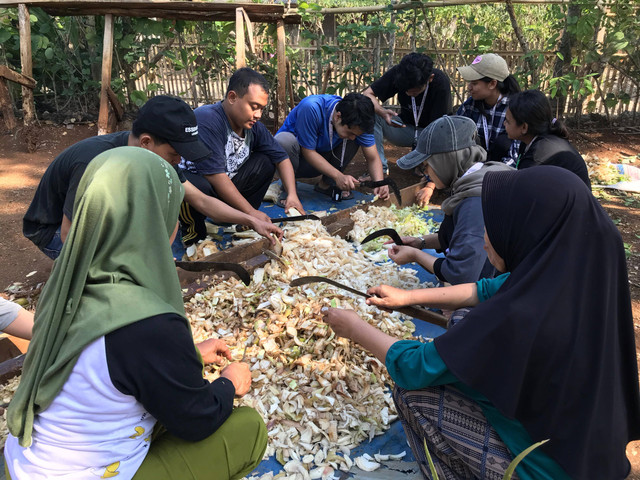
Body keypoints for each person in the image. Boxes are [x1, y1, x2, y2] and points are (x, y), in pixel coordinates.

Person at [323, 166, 640, 480]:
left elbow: (413, 365)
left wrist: (352, 327)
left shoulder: (517, 317)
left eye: (494, 227)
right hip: (589, 454)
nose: (485, 240)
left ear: (527, 231)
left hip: (547, 470)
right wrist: (404, 297)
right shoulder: (577, 276)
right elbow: (486, 289)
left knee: (411, 392)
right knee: (462, 319)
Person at [6, 148, 267, 480]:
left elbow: (114, 362)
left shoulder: (67, 282)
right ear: (161, 224)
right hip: (81, 473)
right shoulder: (146, 320)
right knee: (248, 428)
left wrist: (192, 355)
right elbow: (197, 418)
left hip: (27, 461)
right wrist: (230, 383)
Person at [23, 95, 282, 260]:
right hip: (54, 230)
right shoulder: (94, 163)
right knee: (120, 275)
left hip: (106, 217)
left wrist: (250, 219)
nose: (179, 160)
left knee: (165, 215)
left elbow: (201, 201)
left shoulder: (155, 156)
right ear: (146, 142)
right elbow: (71, 236)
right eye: (175, 153)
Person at [179, 68, 303, 244]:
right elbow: (216, 176)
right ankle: (193, 232)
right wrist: (252, 214)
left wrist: (292, 194)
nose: (258, 115)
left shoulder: (253, 127)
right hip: (201, 192)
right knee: (194, 183)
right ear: (232, 97)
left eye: (262, 108)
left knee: (266, 161)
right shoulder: (208, 119)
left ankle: (240, 219)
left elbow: (281, 158)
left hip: (227, 184)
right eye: (254, 107)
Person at [393, 115, 511, 285]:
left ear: (445, 160)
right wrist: (421, 243)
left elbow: (461, 274)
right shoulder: (483, 174)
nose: (426, 174)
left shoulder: (475, 201)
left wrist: (415, 255)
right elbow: (462, 235)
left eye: (426, 165)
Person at [275, 93, 390, 201]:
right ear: (338, 117)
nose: (352, 137)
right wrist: (338, 176)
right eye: (350, 132)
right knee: (284, 141)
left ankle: (326, 185)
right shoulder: (311, 108)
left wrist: (379, 183)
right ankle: (289, 188)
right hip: (296, 161)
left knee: (354, 139)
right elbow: (308, 152)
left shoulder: (360, 120)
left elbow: (373, 157)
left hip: (321, 160)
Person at [362, 52, 452, 176]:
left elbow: (439, 129)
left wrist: (420, 158)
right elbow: (368, 94)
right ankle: (379, 170)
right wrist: (382, 112)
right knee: (372, 113)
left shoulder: (440, 83)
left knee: (444, 136)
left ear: (430, 79)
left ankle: (427, 164)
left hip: (431, 135)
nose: (409, 94)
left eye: (415, 91)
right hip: (406, 129)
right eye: (406, 91)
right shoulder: (399, 73)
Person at [504, 89, 591, 188]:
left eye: (508, 121)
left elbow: (523, 191)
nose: (504, 124)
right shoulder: (532, 141)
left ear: (524, 127)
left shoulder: (538, 157)